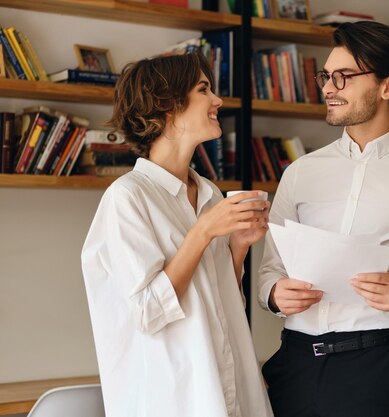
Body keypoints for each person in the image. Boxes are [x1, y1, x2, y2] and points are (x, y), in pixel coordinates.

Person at [258, 21, 389, 417]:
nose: (327, 88)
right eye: (325, 76)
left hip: (375, 369)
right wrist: (274, 295)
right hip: (295, 367)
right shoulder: (299, 172)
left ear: (388, 86)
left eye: (343, 77)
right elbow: (269, 273)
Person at [81, 53, 273, 417]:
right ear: (165, 105)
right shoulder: (127, 198)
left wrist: (237, 249)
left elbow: (218, 299)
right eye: (204, 89)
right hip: (174, 398)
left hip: (227, 384)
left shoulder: (210, 194)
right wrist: (202, 232)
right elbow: (148, 312)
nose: (217, 100)